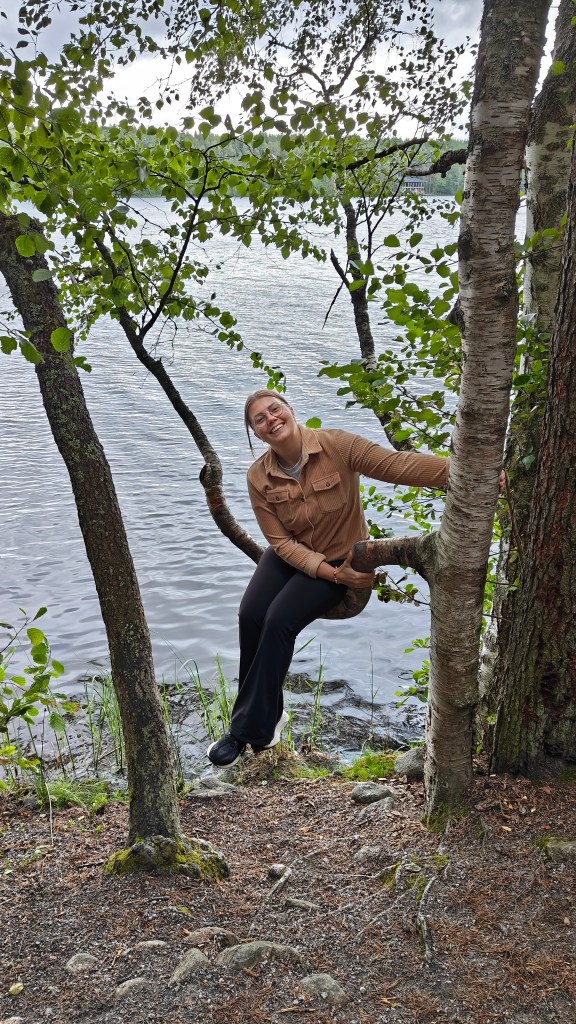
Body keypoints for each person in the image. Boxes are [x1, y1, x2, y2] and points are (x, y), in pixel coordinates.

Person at [207, 390, 449, 768]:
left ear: (290, 410)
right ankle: (269, 716)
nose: (270, 419)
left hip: (342, 556)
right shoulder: (258, 476)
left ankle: (248, 730)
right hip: (292, 556)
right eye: (260, 419)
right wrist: (327, 572)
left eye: (274, 410)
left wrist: (461, 471)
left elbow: (397, 465)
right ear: (256, 432)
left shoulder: (337, 445)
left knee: (279, 621)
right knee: (250, 615)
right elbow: (281, 543)